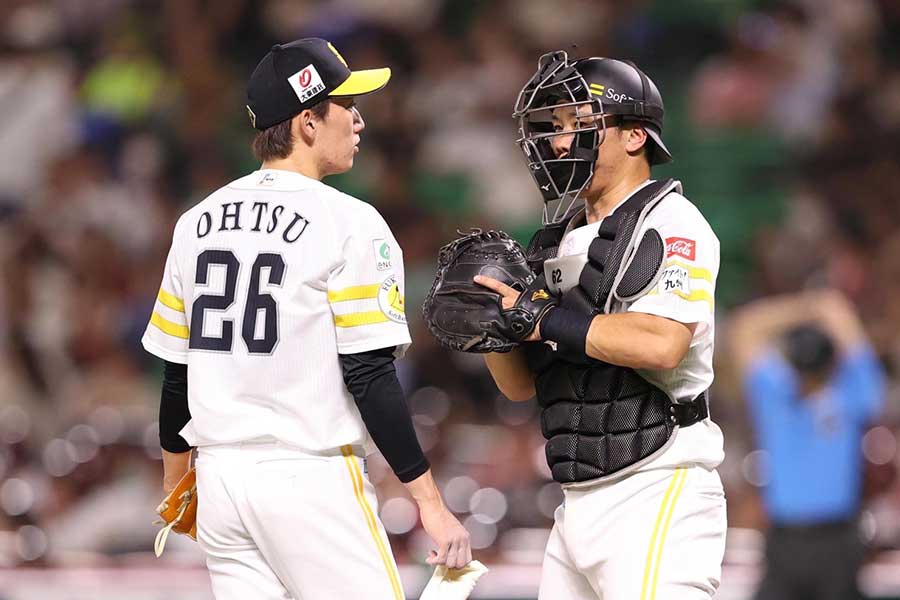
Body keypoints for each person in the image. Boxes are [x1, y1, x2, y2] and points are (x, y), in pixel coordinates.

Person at [142, 38, 470, 600]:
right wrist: (431, 505)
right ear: (308, 122)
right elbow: (369, 376)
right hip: (308, 476)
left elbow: (178, 374)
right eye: (347, 105)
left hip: (220, 480)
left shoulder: (196, 221)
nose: (360, 120)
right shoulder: (348, 220)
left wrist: (177, 481)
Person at [474, 51, 727, 598]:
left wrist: (543, 319)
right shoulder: (557, 239)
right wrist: (491, 330)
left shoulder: (672, 222)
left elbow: (662, 344)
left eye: (579, 125)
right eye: (555, 128)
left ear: (634, 136)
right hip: (576, 499)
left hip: (658, 485)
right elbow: (522, 387)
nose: (560, 142)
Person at [729, 290, 885, 600]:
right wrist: (811, 307)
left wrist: (813, 309)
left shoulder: (849, 393)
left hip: (837, 540)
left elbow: (746, 329)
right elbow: (743, 328)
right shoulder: (779, 393)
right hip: (786, 540)